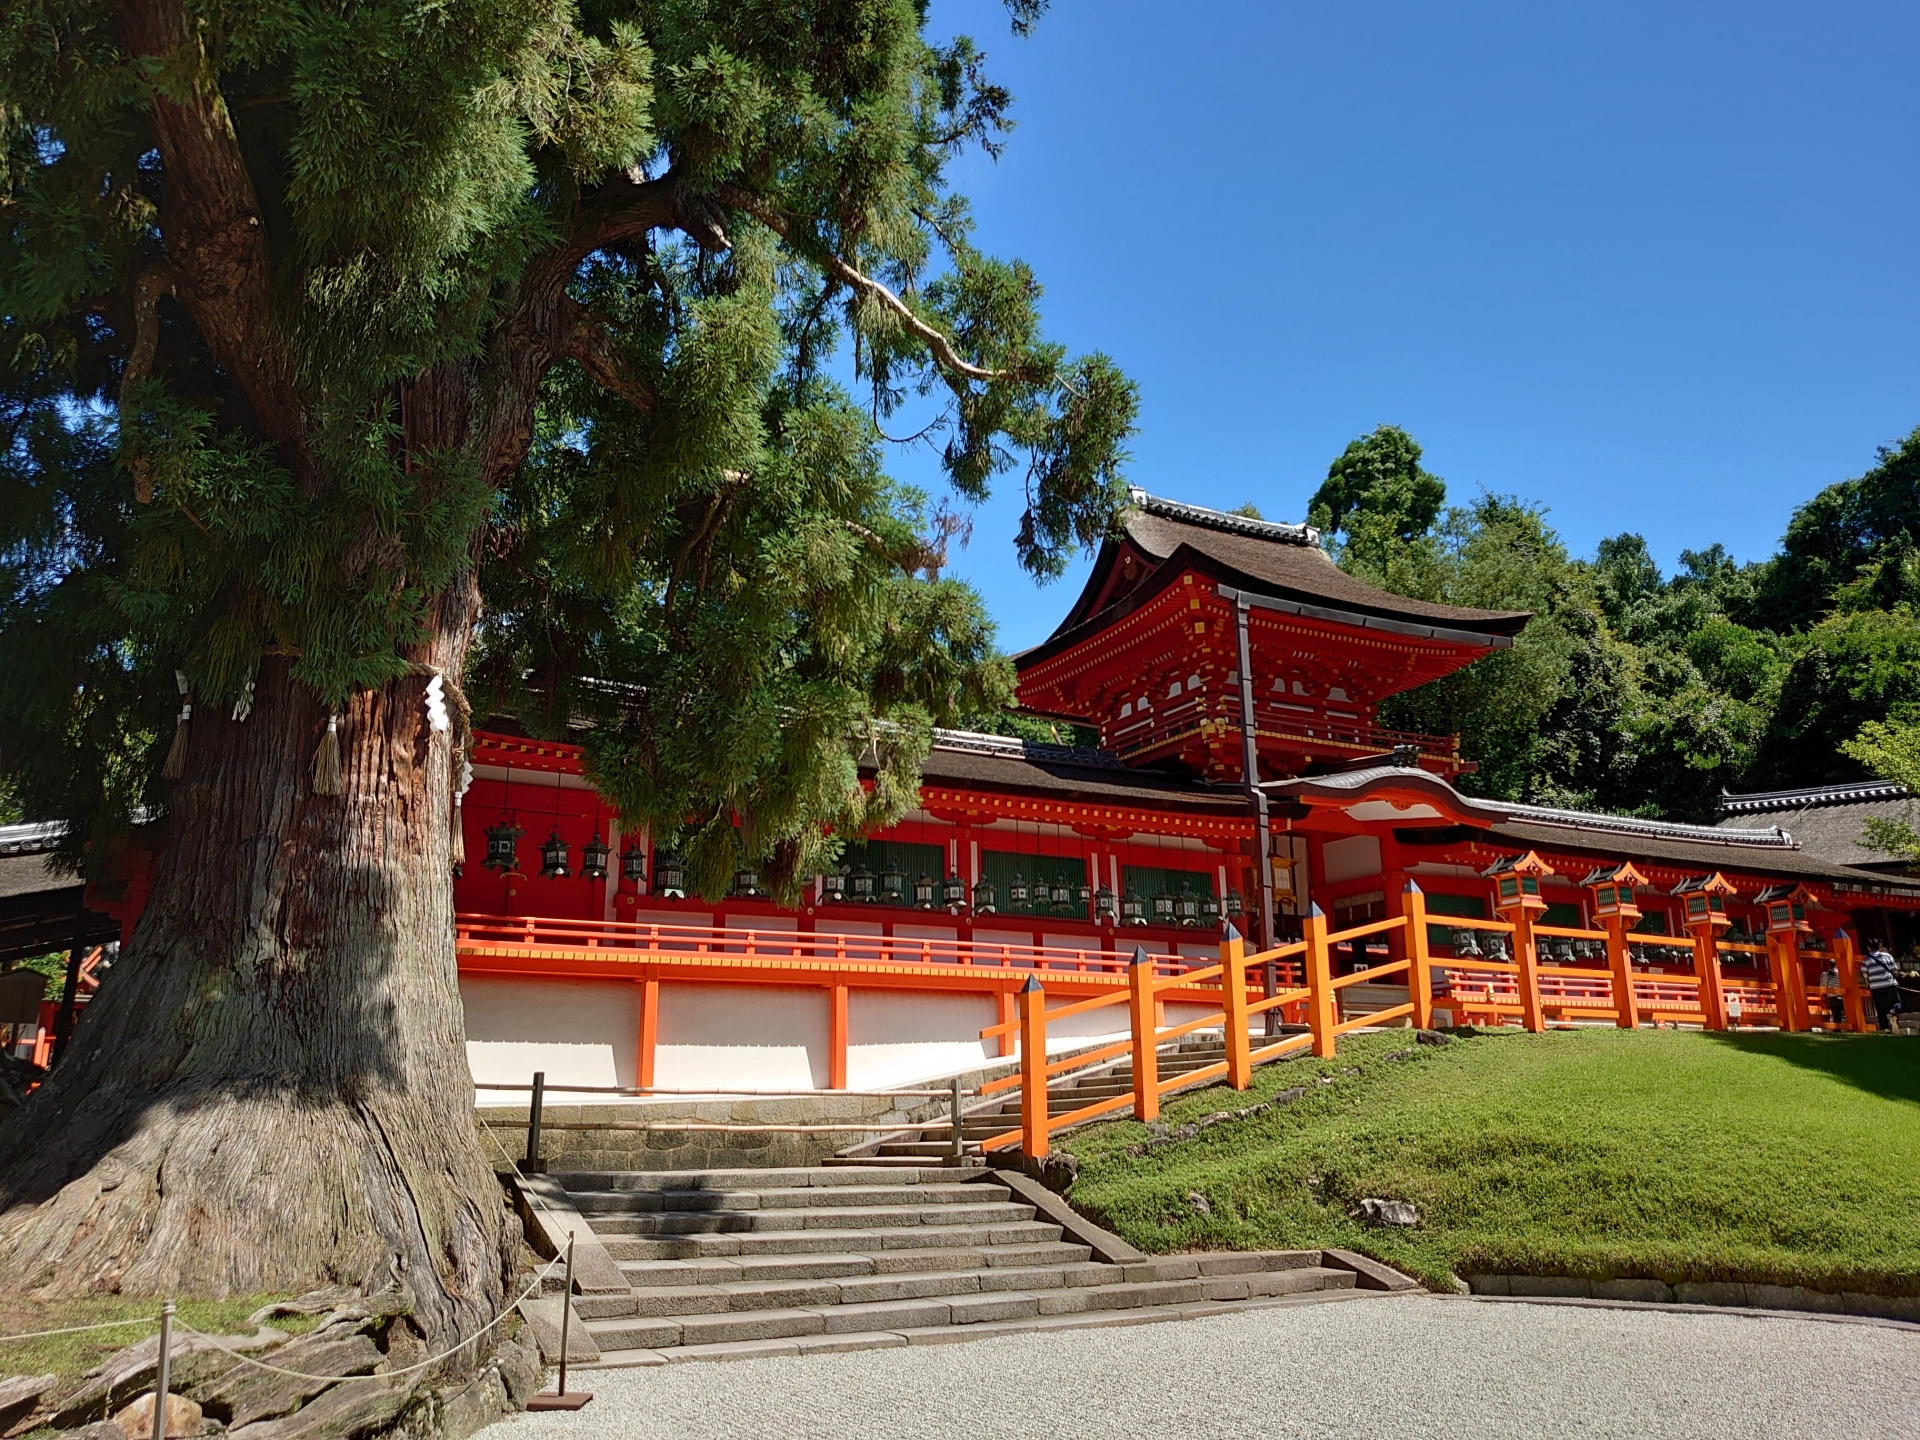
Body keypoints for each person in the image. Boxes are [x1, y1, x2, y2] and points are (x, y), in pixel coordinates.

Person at [1860, 941, 1903, 1032]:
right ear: (1879, 946)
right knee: (1897, 1002)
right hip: (1889, 983)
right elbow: (1894, 970)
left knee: (1880, 1008)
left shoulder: (1866, 959)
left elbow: (1865, 975)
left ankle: (1885, 1028)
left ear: (1868, 947)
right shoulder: (1887, 956)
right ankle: (1893, 1011)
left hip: (1876, 986)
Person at [1820, 958, 1844, 1027]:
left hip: (1831, 997)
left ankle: (1837, 1029)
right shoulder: (1840, 973)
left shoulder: (1824, 974)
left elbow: (1822, 986)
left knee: (1836, 1016)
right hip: (1842, 996)